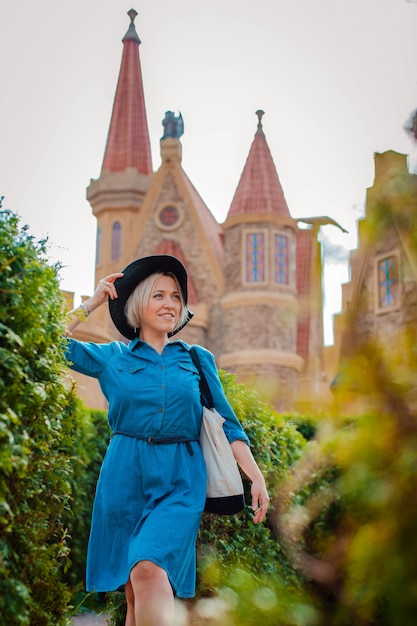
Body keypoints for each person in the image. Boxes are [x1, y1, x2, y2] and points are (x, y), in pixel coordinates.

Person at [65, 255, 269, 626]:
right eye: (158, 295)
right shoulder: (112, 358)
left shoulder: (195, 359)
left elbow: (228, 425)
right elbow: (48, 341)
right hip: (124, 478)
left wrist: (255, 476)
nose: (170, 304)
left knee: (147, 568)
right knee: (133, 593)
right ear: (137, 304)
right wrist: (92, 303)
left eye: (176, 296)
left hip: (180, 480)